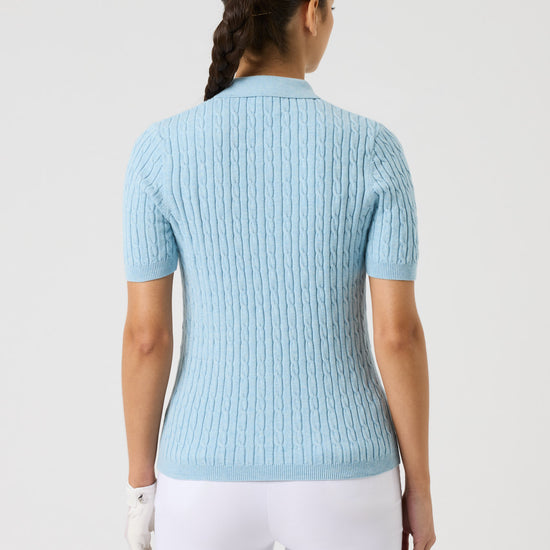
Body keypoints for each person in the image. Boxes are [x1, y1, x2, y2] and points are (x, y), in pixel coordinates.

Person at [121, 0, 436, 549]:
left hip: (202, 472)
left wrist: (141, 492)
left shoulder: (161, 150)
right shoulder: (372, 149)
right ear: (311, 13)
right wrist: (421, 488)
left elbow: (146, 338)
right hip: (348, 472)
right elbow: (398, 336)